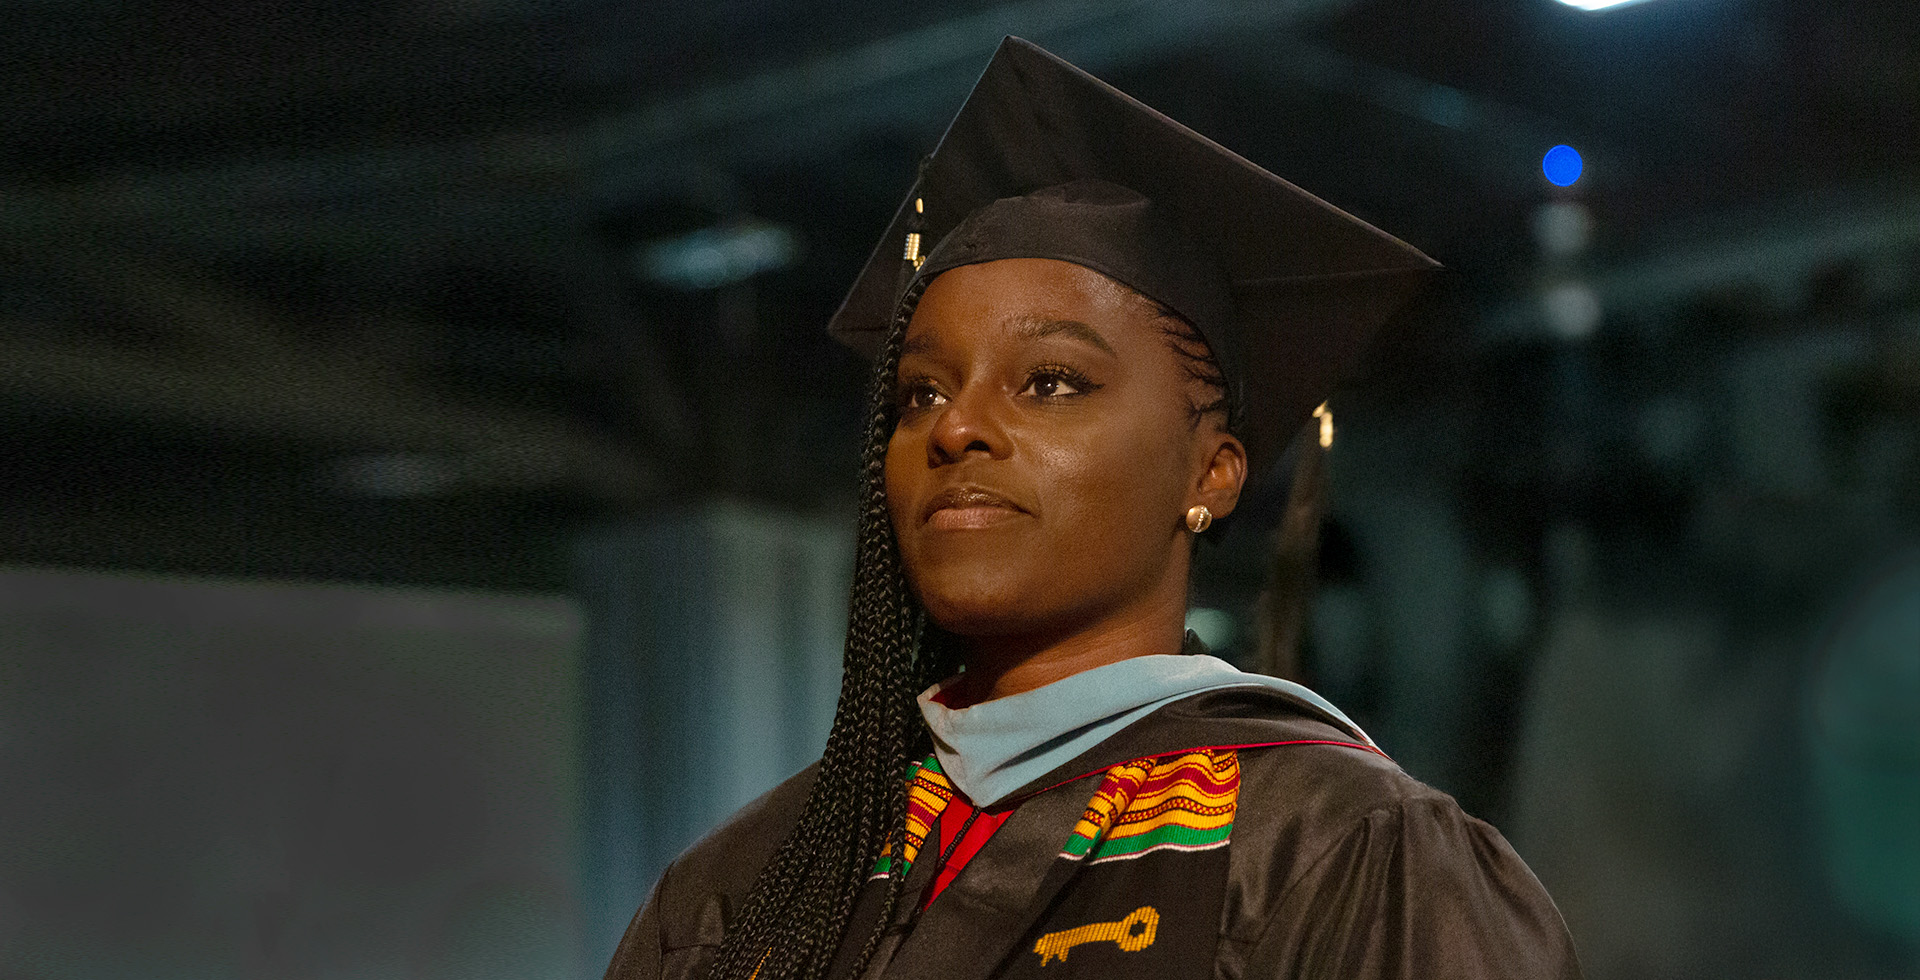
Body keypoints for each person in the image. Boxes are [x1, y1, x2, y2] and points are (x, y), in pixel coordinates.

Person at [604, 37, 1582, 980]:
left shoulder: (1338, 853)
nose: (956, 430)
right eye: (921, 393)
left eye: (1053, 382)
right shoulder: (749, 883)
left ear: (1214, 475)